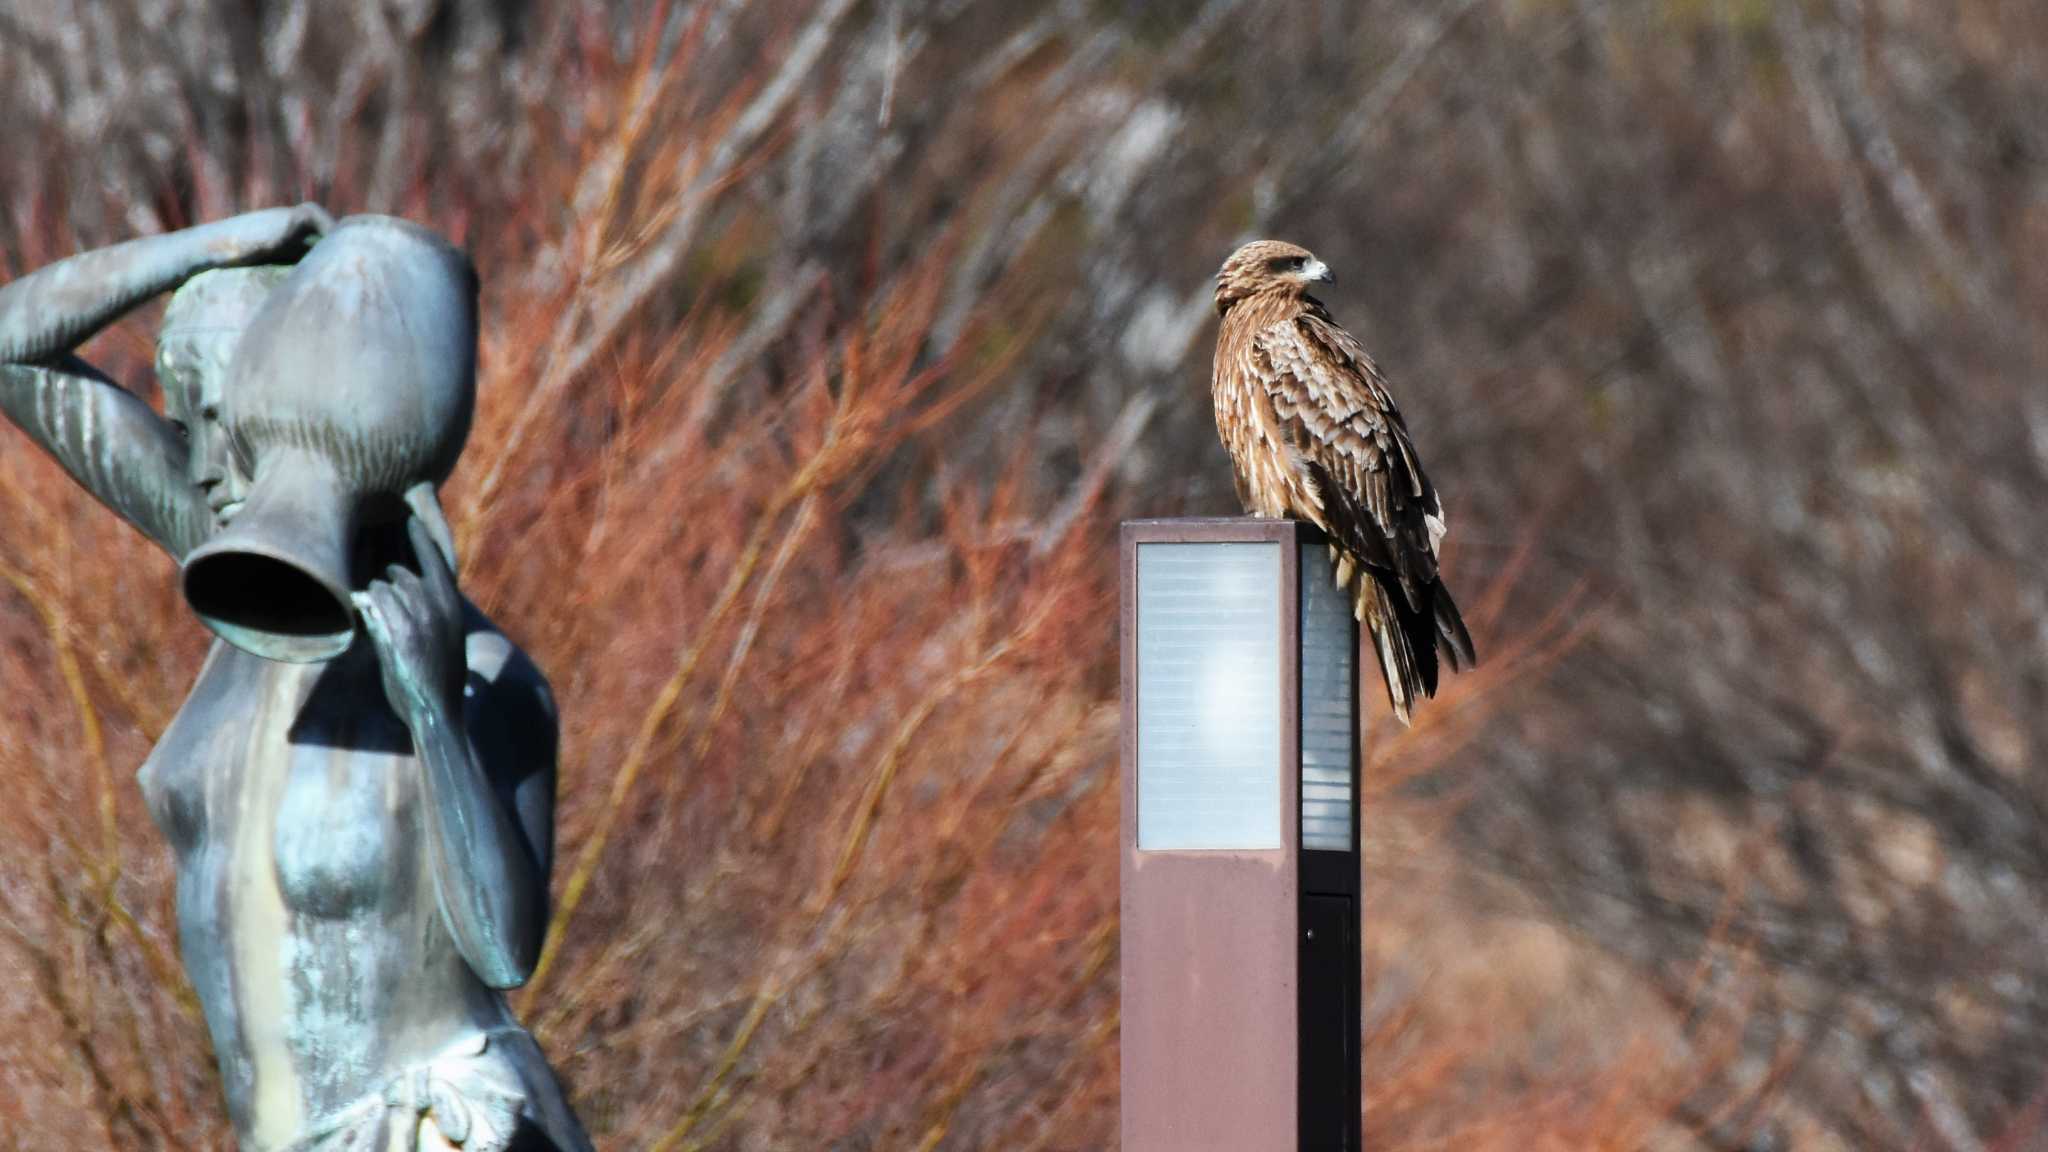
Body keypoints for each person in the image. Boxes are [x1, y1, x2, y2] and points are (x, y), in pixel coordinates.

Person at [0, 208, 590, 1152]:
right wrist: (216, 243)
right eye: (182, 418)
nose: (196, 464)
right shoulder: (241, 580)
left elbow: (505, 948)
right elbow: (10, 348)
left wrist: (434, 717)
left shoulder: (484, 675)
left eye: (224, 424)